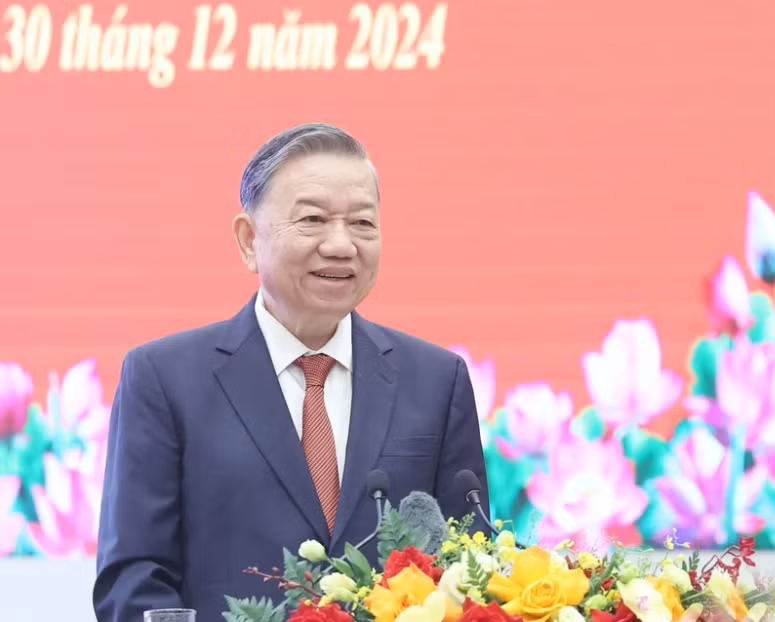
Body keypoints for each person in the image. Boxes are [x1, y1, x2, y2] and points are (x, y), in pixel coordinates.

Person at [93, 123, 489, 621]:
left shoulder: (437, 380)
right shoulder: (164, 378)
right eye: (313, 220)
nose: (342, 244)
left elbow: (470, 566)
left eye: (363, 223)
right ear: (248, 240)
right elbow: (134, 579)